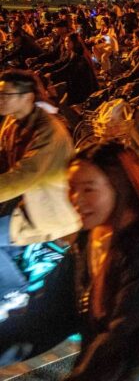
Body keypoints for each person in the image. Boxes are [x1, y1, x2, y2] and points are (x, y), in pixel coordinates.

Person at [0, 142, 139, 379]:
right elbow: (49, 316)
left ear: (119, 187)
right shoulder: (90, 239)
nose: (75, 199)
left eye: (88, 189)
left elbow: (124, 340)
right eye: (71, 188)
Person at [0, 70, 81, 314]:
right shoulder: (13, 123)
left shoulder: (49, 132)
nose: (1, 98)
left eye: (6, 94)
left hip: (50, 210)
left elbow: (23, 176)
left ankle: (13, 291)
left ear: (27, 97)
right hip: (24, 204)